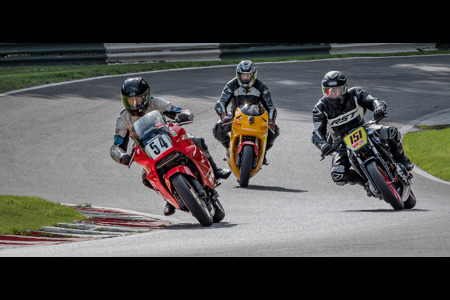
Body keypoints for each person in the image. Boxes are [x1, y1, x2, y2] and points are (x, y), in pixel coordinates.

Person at [110, 77, 231, 216]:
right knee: (146, 178)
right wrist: (121, 156)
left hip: (169, 137)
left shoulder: (156, 102)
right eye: (130, 101)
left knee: (196, 141)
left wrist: (182, 114)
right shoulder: (123, 118)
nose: (135, 104)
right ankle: (169, 198)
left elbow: (175, 110)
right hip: (146, 148)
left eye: (138, 99)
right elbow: (117, 144)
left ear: (145, 97)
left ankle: (215, 171)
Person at [311, 70, 413, 194]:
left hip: (365, 130)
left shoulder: (355, 93)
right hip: (341, 143)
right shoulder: (319, 108)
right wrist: (322, 145)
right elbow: (317, 132)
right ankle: (365, 183)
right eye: (328, 91)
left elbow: (373, 101)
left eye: (336, 90)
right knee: (337, 174)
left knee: (391, 132)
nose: (332, 94)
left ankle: (403, 160)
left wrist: (379, 108)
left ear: (344, 89)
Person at [212, 60, 280, 164]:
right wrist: (223, 116)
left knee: (274, 131)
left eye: (247, 75)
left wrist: (271, 121)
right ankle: (229, 148)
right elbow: (220, 102)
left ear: (253, 75)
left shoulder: (261, 87)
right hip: (236, 117)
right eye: (242, 75)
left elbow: (271, 107)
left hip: (257, 118)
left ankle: (263, 153)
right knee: (217, 129)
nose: (244, 78)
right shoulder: (231, 85)